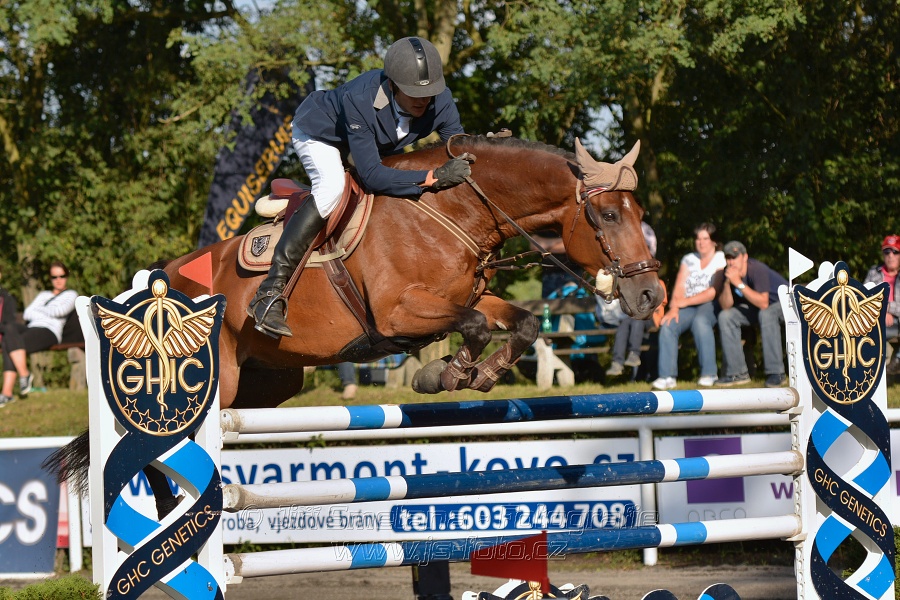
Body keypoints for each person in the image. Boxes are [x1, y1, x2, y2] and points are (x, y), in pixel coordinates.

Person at [249, 37, 469, 338]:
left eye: (428, 92)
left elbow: (457, 147)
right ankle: (269, 293)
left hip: (368, 143)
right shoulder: (361, 97)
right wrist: (431, 177)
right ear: (392, 85)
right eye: (414, 93)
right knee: (331, 189)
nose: (423, 100)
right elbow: (373, 175)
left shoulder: (440, 99)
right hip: (320, 134)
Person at [651, 223, 726, 390]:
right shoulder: (689, 259)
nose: (701, 242)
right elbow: (679, 286)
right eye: (698, 239)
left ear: (714, 241)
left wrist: (683, 302)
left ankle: (709, 373)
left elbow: (713, 292)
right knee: (668, 324)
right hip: (687, 306)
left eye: (705, 238)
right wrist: (674, 308)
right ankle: (667, 376)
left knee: (701, 322)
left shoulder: (720, 258)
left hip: (710, 305)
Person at [712, 241, 788, 388]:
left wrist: (738, 283)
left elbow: (763, 303)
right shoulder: (728, 273)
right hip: (758, 308)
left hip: (785, 304)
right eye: (728, 258)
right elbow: (726, 306)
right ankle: (737, 374)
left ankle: (776, 373)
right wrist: (727, 284)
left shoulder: (757, 269)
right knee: (726, 317)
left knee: (766, 314)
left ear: (745, 257)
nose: (731, 262)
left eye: (734, 257)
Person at [2, 261, 78, 397]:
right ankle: (24, 375)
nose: (58, 280)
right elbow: (27, 313)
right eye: (54, 277)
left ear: (67, 276)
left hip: (50, 331)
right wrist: (47, 311)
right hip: (31, 328)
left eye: (62, 276)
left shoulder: (71, 294)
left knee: (9, 343)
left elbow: (61, 311)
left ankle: (7, 393)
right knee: (9, 329)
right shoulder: (43, 295)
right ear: (50, 278)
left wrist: (40, 310)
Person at [606, 221, 662, 377]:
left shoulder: (654, 279)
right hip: (634, 318)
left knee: (636, 319)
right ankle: (618, 361)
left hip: (652, 317)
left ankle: (633, 354)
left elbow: (658, 304)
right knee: (625, 323)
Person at [864, 234, 900, 375]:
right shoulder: (874, 272)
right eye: (887, 251)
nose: (890, 255)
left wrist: (886, 307)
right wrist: (882, 312)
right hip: (877, 320)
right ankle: (878, 373)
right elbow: (864, 299)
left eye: (895, 251)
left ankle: (897, 361)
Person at [0, 265, 19, 407]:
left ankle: (6, 393)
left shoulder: (6, 297)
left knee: (9, 342)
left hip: (4, 335)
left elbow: (9, 323)